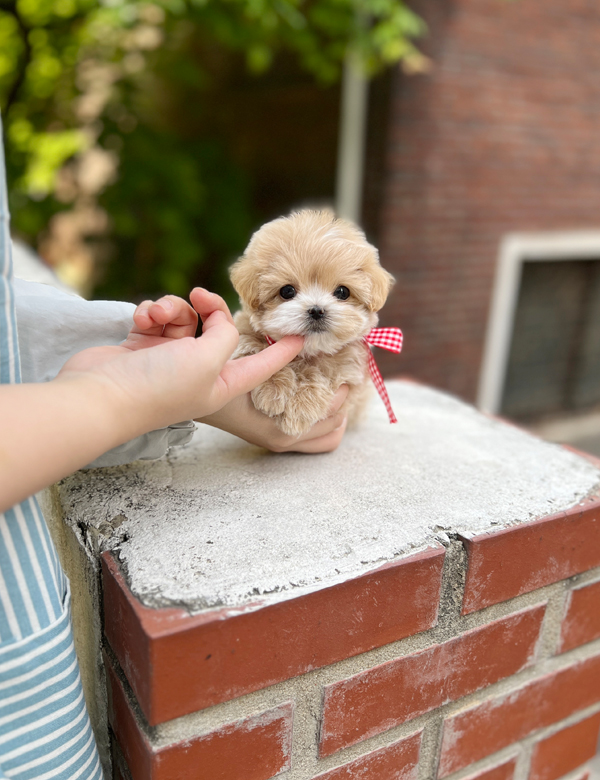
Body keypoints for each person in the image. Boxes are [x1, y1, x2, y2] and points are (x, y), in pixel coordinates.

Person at [0, 121, 347, 777]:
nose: (317, 306)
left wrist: (165, 386)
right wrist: (116, 396)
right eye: (288, 290)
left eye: (340, 292)